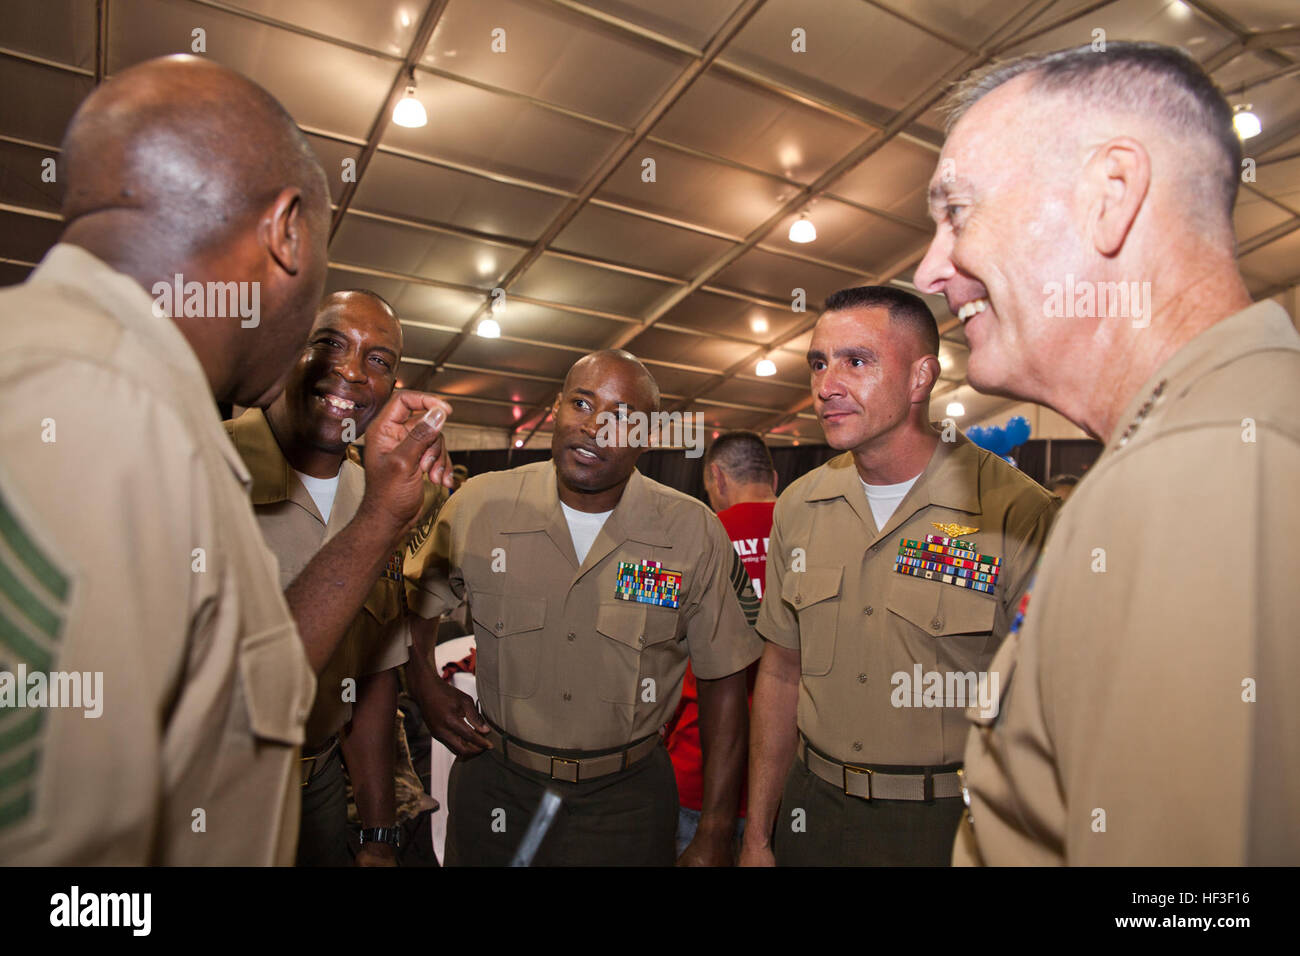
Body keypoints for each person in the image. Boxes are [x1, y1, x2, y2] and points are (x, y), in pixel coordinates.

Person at [0, 55, 449, 865]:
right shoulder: (97, 415)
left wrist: (381, 514)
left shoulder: (102, 393)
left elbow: (245, 686)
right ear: (286, 233)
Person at [913, 41, 1300, 865]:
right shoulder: (1217, 441)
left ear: (1111, 195)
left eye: (957, 212)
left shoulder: (1201, 475)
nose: (931, 268)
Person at [405, 349, 763, 866]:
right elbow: (415, 608)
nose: (596, 427)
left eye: (622, 418)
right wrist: (422, 683)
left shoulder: (692, 532)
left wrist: (715, 830)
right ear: (556, 409)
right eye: (582, 403)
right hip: (496, 790)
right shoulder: (480, 505)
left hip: (628, 804)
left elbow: (724, 682)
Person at [739, 286, 1057, 867]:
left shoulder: (1014, 514)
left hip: (945, 828)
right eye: (818, 362)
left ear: (920, 378)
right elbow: (782, 674)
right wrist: (758, 835)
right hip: (814, 813)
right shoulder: (801, 505)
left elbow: (1049, 711)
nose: (825, 385)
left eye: (855, 361)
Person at [224, 289, 415, 866]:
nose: (351, 371)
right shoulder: (207, 466)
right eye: (330, 343)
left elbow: (373, 678)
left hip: (322, 791)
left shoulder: (377, 494)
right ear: (288, 351)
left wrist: (379, 835)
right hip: (218, 794)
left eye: (378, 360)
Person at [666, 431, 775, 856]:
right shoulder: (813, 536)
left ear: (717, 477)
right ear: (775, 478)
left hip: (700, 769)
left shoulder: (694, 538)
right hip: (788, 780)